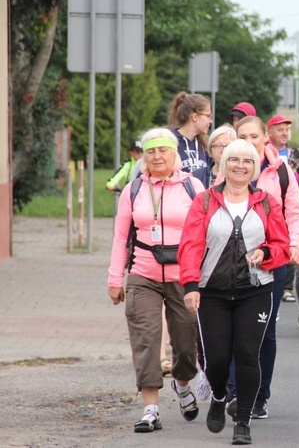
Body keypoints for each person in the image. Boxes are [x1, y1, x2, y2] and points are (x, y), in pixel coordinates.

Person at [178, 139, 290, 445]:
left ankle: (243, 421)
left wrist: (265, 254)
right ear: (223, 164)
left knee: (246, 354)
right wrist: (190, 286)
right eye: (234, 160)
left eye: (248, 161)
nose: (241, 166)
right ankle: (217, 395)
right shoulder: (204, 201)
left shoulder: (267, 202)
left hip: (254, 290)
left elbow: (282, 245)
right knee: (216, 360)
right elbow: (190, 246)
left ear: (255, 168)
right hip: (212, 292)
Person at [106, 128, 204, 434]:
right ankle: (150, 409)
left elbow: (204, 234)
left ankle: (183, 384)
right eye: (151, 152)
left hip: (183, 275)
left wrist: (201, 279)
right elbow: (121, 236)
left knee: (186, 345)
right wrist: (115, 277)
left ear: (174, 153)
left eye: (162, 150)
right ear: (144, 157)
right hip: (143, 273)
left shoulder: (193, 186)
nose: (157, 157)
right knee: (145, 341)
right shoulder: (133, 189)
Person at [233, 115, 299, 419]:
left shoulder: (280, 171)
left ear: (266, 137)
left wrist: (295, 245)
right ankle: (236, 392)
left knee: (264, 329)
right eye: (242, 136)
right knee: (236, 329)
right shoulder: (228, 167)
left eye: (254, 136)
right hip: (234, 262)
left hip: (273, 261)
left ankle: (260, 395)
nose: (249, 143)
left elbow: (297, 213)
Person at [266, 114, 299, 304]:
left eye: (286, 130)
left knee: (289, 247)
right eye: (280, 129)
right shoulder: (263, 159)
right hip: (272, 212)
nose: (284, 133)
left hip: (290, 207)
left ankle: (287, 287)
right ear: (269, 133)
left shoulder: (295, 153)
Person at [167, 92, 213, 187]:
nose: (211, 121)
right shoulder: (170, 141)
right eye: (208, 116)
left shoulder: (203, 145)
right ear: (195, 117)